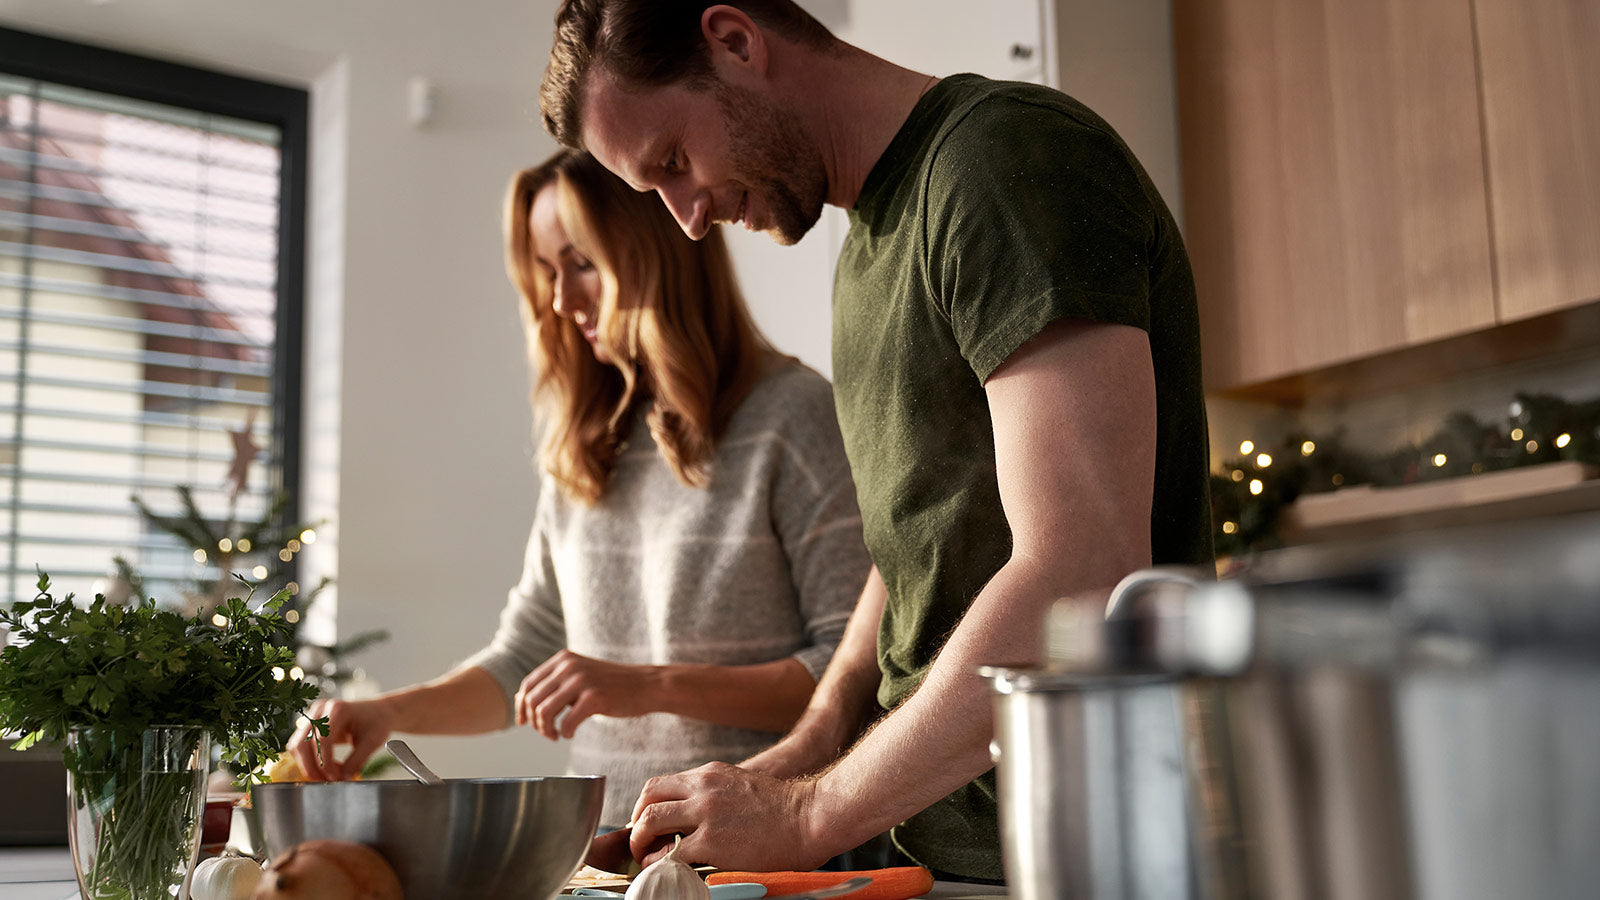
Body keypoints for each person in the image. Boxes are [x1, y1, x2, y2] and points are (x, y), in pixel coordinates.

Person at [539, 0, 1215, 883]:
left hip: (1075, 853)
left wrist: (812, 811)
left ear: (736, 41)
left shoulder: (1004, 162)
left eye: (675, 161)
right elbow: (913, 551)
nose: (688, 219)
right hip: (939, 853)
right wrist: (795, 760)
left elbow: (1082, 567)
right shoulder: (867, 249)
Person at [288, 149, 871, 828]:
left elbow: (850, 676)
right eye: (548, 272)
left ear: (659, 255)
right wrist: (388, 713)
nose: (561, 300)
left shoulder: (794, 418)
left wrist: (649, 685)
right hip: (601, 850)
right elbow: (525, 660)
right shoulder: (587, 446)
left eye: (583, 263)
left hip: (755, 851)